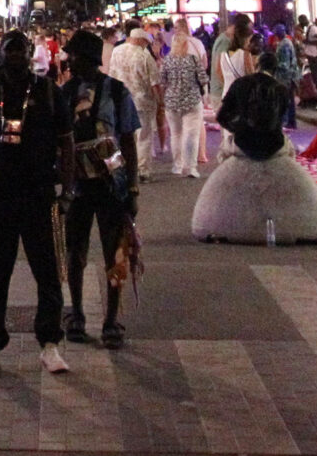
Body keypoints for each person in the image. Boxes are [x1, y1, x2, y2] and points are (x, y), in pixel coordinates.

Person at [0, 29, 73, 376]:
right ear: (1, 53)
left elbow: (67, 143)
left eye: (20, 50)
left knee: (48, 272)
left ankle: (50, 344)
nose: (14, 56)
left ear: (29, 54)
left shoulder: (48, 92)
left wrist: (67, 191)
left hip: (39, 193)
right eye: (8, 50)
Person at [59, 30, 141, 349]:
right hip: (76, 188)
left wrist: (133, 187)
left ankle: (112, 320)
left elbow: (129, 142)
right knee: (74, 252)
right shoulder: (63, 94)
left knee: (115, 254)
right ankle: (76, 314)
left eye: (73, 56)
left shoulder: (117, 93)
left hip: (112, 187)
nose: (69, 61)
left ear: (88, 59)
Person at [159, 27, 209, 177]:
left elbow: (162, 82)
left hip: (172, 102)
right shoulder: (193, 59)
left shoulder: (166, 61)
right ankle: (191, 167)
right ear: (186, 45)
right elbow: (203, 79)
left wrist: (163, 99)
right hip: (192, 101)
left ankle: (177, 165)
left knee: (175, 135)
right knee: (191, 135)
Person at [108, 26, 161, 160]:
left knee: (125, 136)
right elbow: (154, 81)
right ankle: (142, 169)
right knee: (143, 137)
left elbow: (112, 74)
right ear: (140, 40)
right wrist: (160, 101)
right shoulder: (145, 55)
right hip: (143, 102)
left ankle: (127, 166)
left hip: (122, 100)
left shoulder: (117, 51)